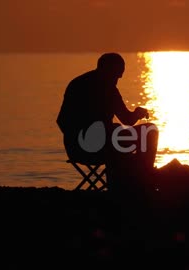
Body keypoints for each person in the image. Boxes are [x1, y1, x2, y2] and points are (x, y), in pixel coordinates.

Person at [56, 53, 159, 192]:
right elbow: (127, 120)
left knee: (114, 134)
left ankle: (136, 176)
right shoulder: (109, 88)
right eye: (117, 74)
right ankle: (144, 177)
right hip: (102, 148)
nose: (119, 78)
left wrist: (75, 140)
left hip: (75, 150)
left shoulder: (77, 83)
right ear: (107, 69)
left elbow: (61, 120)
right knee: (149, 131)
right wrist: (138, 113)